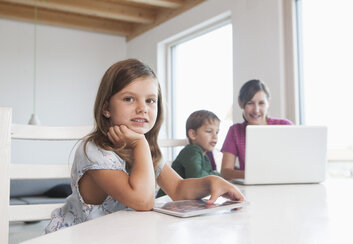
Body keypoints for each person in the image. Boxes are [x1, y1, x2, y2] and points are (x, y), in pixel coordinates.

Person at [44, 59, 244, 233]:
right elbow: (143, 201)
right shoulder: (95, 150)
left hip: (121, 236)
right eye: (129, 99)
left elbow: (178, 189)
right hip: (79, 239)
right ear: (106, 108)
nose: (142, 108)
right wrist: (140, 143)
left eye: (150, 100)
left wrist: (210, 183)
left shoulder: (142, 150)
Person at [220, 79, 293, 180]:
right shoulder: (235, 131)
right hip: (251, 188)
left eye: (261, 103)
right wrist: (257, 175)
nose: (256, 109)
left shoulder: (285, 126)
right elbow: (225, 172)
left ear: (269, 102)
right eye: (250, 103)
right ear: (240, 103)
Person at [157, 110, 221, 197]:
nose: (215, 136)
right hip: (166, 200)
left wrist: (217, 177)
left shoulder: (204, 157)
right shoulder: (191, 151)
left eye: (217, 132)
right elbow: (198, 178)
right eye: (209, 131)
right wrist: (217, 177)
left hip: (181, 201)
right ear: (193, 134)